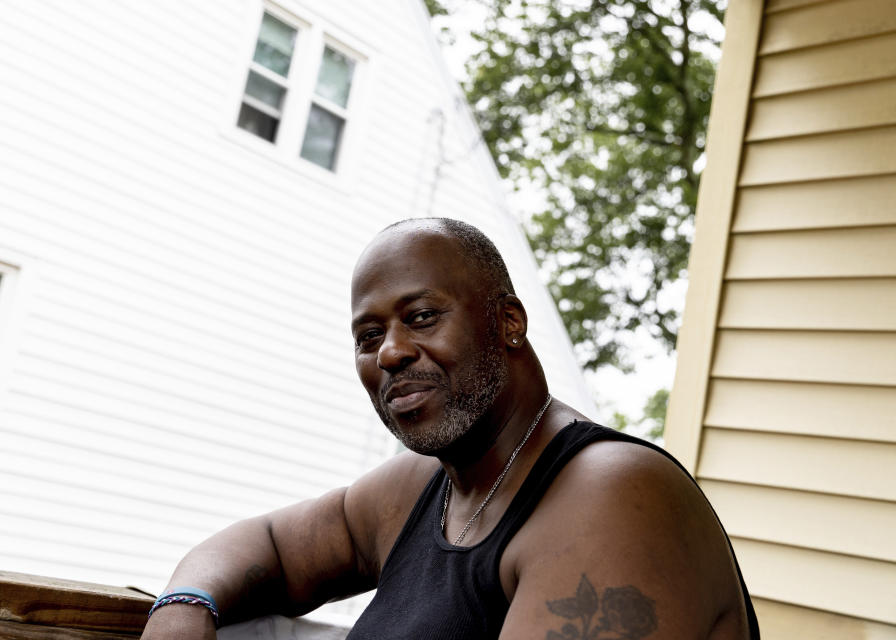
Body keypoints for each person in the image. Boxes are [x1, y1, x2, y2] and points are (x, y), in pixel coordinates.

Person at [141, 218, 760, 640]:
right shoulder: (422, 488)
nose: (390, 353)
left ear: (508, 323)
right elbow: (272, 544)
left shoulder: (615, 497)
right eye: (368, 336)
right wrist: (184, 603)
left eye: (422, 316)